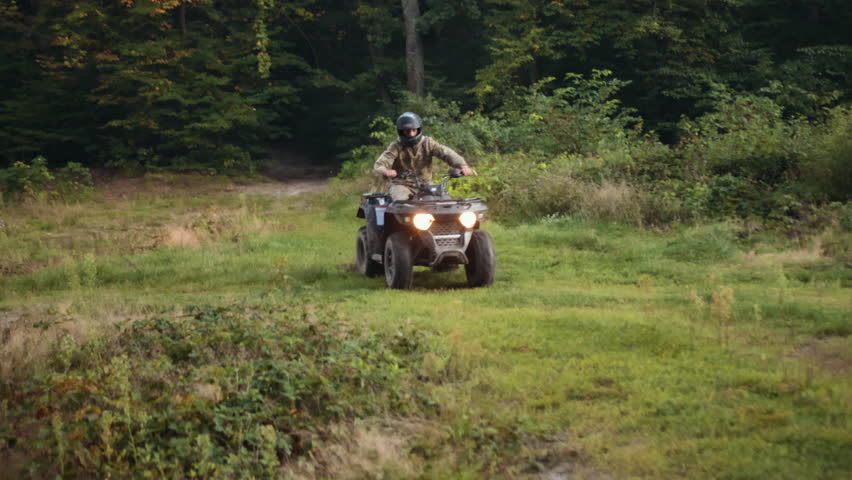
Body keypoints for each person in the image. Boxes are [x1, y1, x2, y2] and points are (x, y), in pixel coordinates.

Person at [374, 112, 474, 201]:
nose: (411, 134)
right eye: (407, 131)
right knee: (401, 203)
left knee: (444, 200)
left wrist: (462, 165)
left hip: (425, 184)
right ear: (401, 131)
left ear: (419, 129)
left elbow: (445, 152)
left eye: (414, 130)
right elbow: (379, 164)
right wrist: (386, 171)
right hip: (401, 184)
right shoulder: (396, 146)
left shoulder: (427, 143)